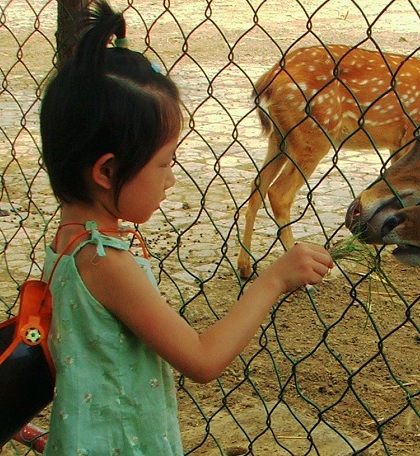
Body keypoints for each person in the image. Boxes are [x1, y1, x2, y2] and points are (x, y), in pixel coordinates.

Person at [38, 1, 334, 454]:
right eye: (164, 163)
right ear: (108, 171)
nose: (172, 177)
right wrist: (273, 280)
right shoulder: (105, 261)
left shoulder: (66, 242)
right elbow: (202, 359)